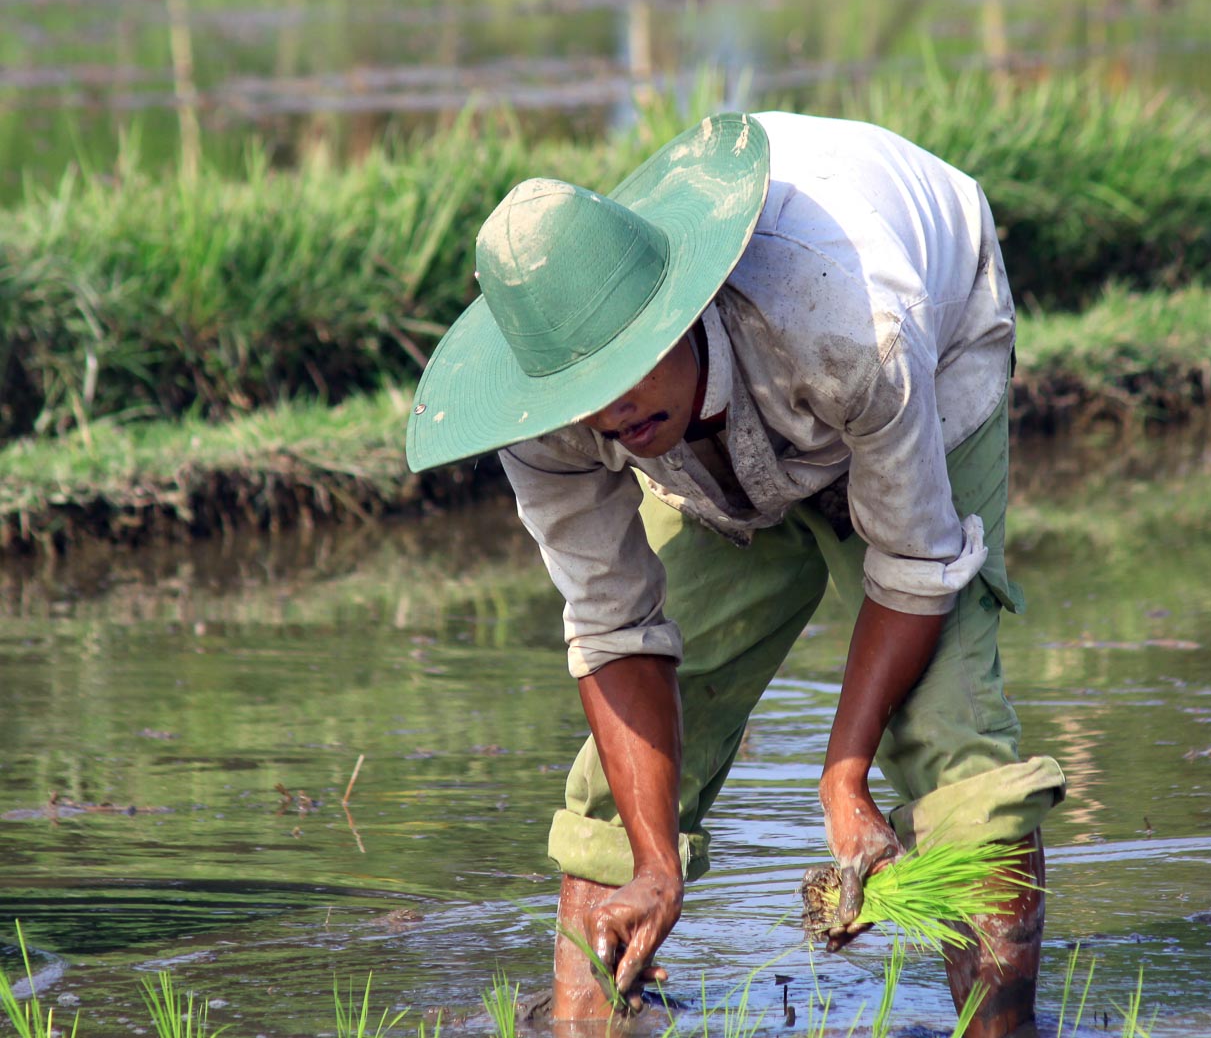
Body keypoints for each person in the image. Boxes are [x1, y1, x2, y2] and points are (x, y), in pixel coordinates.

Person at [405, 111, 1066, 1038]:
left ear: (689, 306)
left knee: (950, 733)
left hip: (922, 354)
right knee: (627, 779)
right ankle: (586, 1024)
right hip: (730, 438)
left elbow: (914, 562)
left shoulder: (851, 326)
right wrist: (653, 861)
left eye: (628, 368)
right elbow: (613, 627)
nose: (606, 407)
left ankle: (1002, 1029)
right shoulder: (564, 420)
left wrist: (844, 778)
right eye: (579, 390)